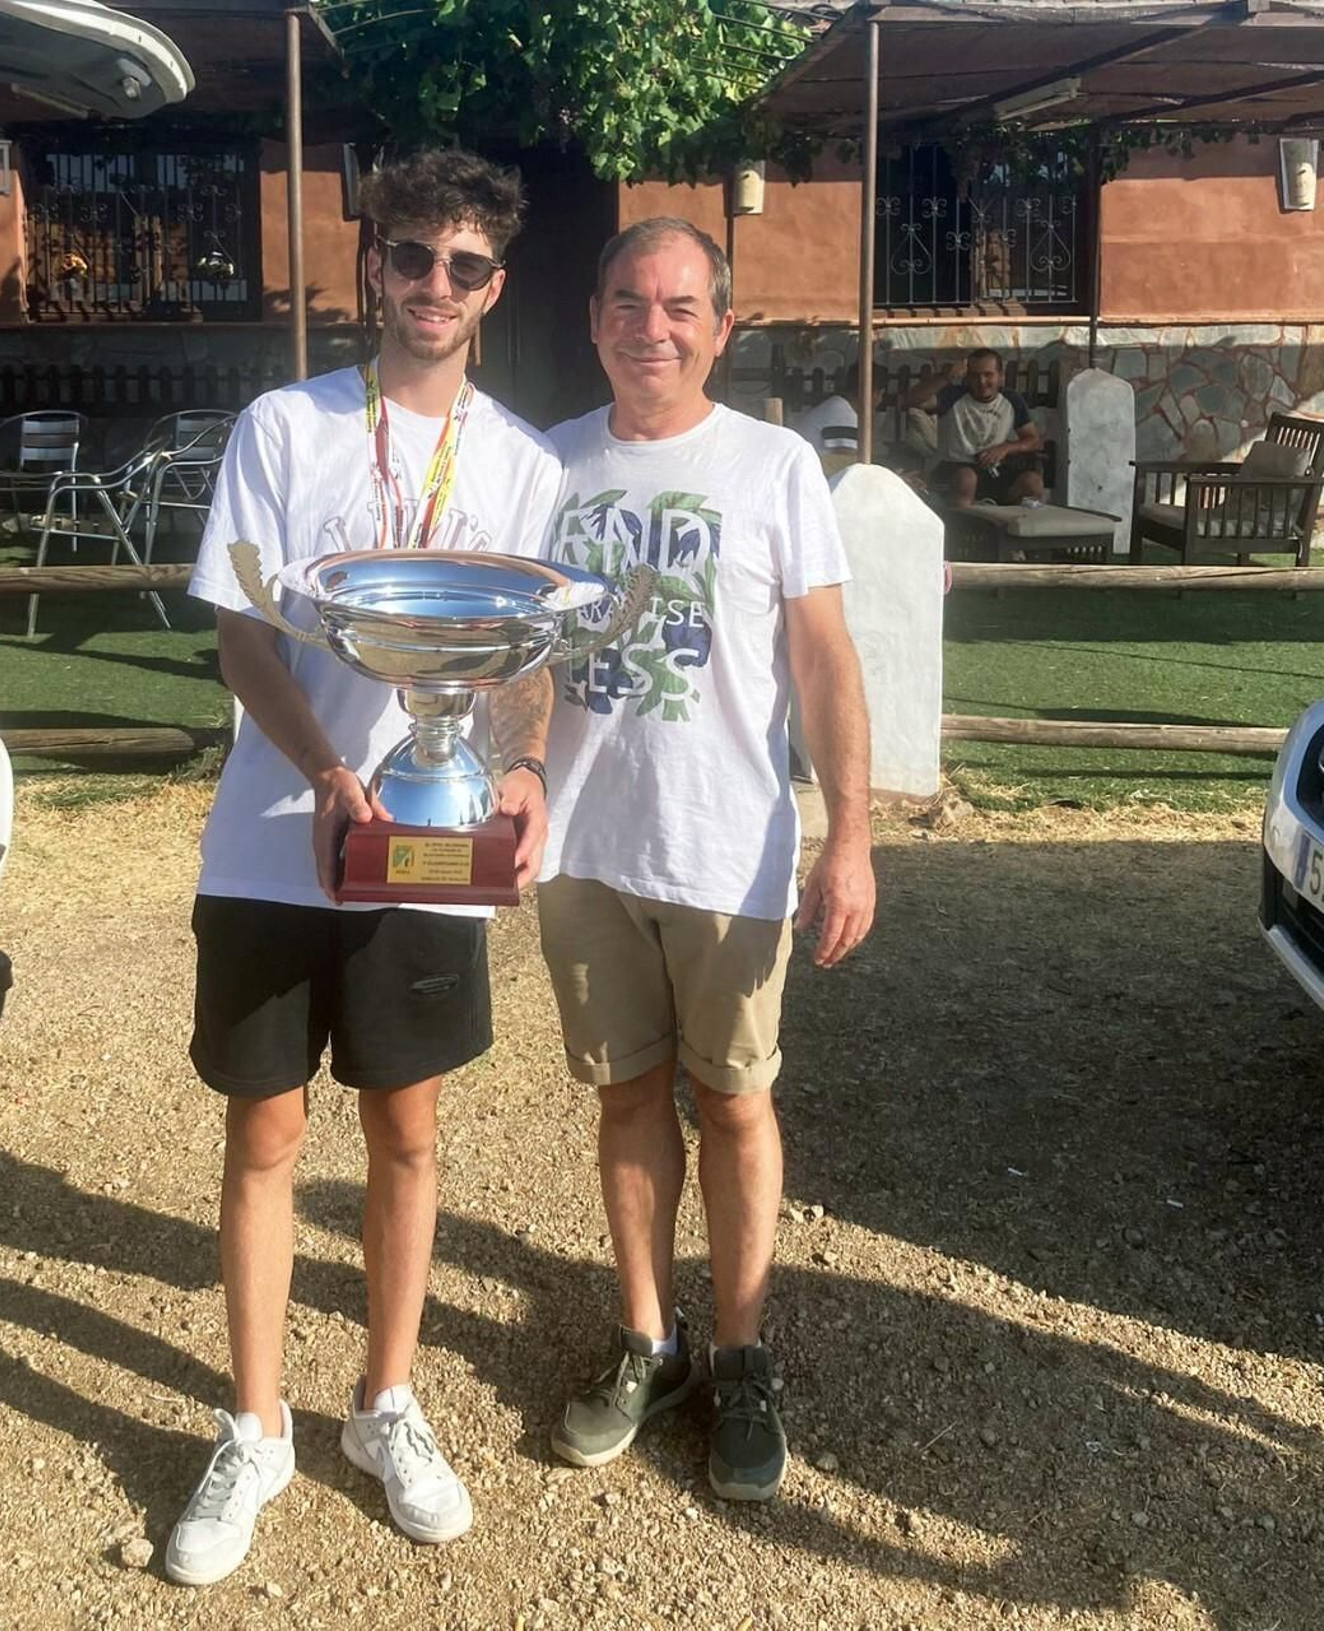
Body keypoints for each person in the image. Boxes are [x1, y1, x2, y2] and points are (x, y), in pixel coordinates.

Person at [164, 148, 562, 1586]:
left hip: (430, 845)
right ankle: (256, 1422)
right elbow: (241, 634)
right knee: (266, 1136)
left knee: (406, 1132)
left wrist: (521, 769)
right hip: (277, 838)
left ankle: (384, 1399)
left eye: (463, 264)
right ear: (371, 267)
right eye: (410, 256)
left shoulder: (523, 463)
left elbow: (526, 657)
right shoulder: (285, 428)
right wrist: (331, 774)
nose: (433, 284)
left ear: (493, 286)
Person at [527, 217, 876, 1502]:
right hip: (583, 845)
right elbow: (514, 652)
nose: (652, 328)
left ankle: (739, 1352)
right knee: (625, 1095)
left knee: (732, 1101)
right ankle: (647, 1339)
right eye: (628, 302)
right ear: (593, 319)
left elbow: (824, 661)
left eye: (680, 307)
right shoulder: (546, 464)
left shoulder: (773, 466)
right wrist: (506, 780)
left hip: (726, 847)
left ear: (722, 327)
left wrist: (850, 835)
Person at [906, 347, 1043, 507]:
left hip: (993, 469)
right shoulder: (953, 395)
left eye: (988, 375)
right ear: (967, 377)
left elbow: (1033, 440)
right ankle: (964, 522)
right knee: (967, 478)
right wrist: (946, 377)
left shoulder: (1011, 399)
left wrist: (1005, 448)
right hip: (954, 468)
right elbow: (911, 401)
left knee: (1033, 482)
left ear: (1000, 377)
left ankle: (1008, 521)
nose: (982, 381)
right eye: (975, 375)